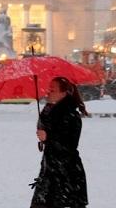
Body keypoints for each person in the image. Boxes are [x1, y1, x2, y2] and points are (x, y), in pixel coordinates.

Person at [30, 77, 88, 208]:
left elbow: (69, 146)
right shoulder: (50, 112)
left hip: (66, 174)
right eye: (48, 89)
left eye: (52, 90)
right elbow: (46, 131)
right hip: (49, 172)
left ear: (64, 93)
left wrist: (48, 138)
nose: (48, 93)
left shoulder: (71, 115)